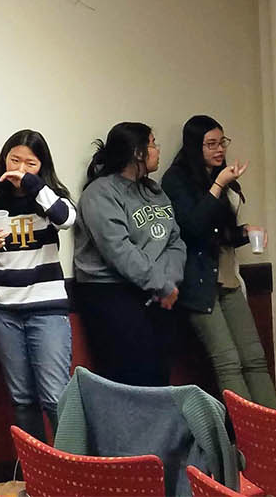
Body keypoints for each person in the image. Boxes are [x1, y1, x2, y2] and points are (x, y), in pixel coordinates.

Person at [163, 115, 276, 409]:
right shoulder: (177, 179)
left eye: (222, 142)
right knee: (228, 361)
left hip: (228, 276)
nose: (219, 150)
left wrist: (244, 232)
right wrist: (218, 185)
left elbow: (219, 231)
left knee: (254, 357)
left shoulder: (222, 177)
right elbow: (193, 227)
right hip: (199, 283)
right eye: (210, 144)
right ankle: (248, 435)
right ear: (194, 146)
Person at [0, 129, 76, 444]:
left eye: (31, 163)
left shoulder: (50, 198)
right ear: (3, 160)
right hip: (3, 311)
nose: (20, 168)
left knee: (56, 396)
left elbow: (67, 219)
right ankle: (36, 473)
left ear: (42, 167)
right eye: (14, 160)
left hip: (47, 309)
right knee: (22, 398)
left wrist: (33, 185)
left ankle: (71, 471)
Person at [71, 122, 185, 387]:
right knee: (131, 381)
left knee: (160, 377)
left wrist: (168, 283)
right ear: (137, 152)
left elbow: (175, 241)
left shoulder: (155, 191)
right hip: (111, 295)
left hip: (158, 295)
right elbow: (118, 250)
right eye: (153, 143)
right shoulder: (99, 193)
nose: (158, 150)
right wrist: (161, 284)